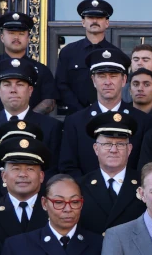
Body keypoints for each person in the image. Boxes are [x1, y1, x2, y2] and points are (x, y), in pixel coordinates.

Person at [0, 59, 61, 186]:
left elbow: (53, 170)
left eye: (19, 84)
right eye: (7, 84)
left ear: (30, 91)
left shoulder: (51, 126)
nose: (13, 90)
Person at [58, 50, 146, 178]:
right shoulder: (75, 122)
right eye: (101, 76)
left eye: (113, 76)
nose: (107, 82)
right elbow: (67, 166)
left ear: (124, 80)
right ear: (93, 80)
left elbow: (144, 167)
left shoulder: (142, 121)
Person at [0, 136, 49, 244]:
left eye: (30, 168)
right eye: (16, 168)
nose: (23, 174)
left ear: (41, 176)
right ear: (4, 176)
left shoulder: (55, 210)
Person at [78, 112, 144, 236]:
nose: (114, 150)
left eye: (120, 144)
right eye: (107, 144)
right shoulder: (79, 186)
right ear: (96, 149)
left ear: (129, 149)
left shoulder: (145, 183)